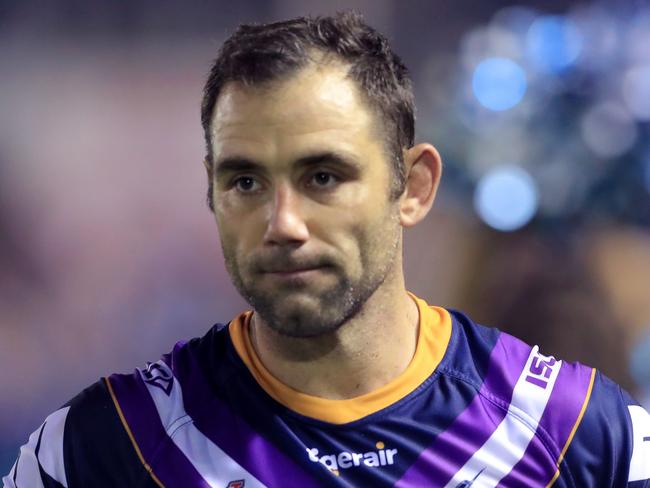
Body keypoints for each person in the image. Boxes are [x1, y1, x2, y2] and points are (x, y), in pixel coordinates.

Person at [4, 11, 649, 488]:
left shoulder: (582, 436)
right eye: (246, 181)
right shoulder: (100, 451)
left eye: (323, 177)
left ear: (414, 186)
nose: (282, 222)